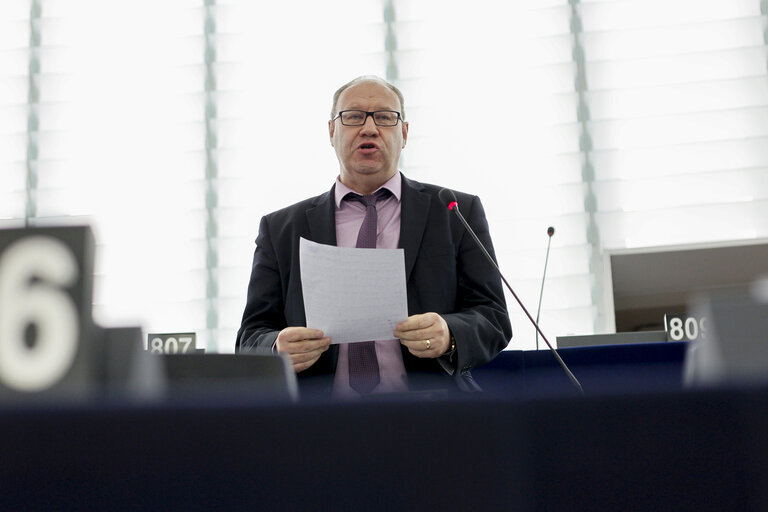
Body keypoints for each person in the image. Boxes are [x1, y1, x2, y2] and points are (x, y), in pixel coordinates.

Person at [236, 75, 511, 398]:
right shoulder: (281, 228)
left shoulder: (454, 211)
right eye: (352, 117)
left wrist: (450, 334)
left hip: (432, 411)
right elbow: (250, 337)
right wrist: (276, 347)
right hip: (318, 420)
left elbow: (493, 317)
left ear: (404, 133)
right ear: (331, 132)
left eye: (384, 117)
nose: (369, 128)